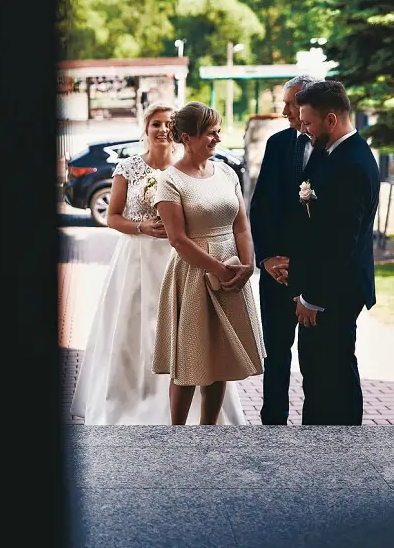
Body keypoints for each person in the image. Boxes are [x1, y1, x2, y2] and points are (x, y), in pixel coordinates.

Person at [71, 103, 248, 425]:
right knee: (137, 326)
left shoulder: (196, 171)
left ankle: (201, 412)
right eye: (156, 124)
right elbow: (112, 217)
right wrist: (142, 227)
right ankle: (132, 399)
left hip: (183, 256)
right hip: (139, 258)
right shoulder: (130, 168)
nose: (162, 129)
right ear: (146, 128)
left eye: (168, 123)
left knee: (191, 332)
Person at [152, 102, 266, 425]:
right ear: (187, 138)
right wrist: (217, 269)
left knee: (219, 358)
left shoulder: (227, 173)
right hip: (193, 276)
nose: (217, 139)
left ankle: (208, 432)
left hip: (232, 272)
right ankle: (177, 434)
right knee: (190, 358)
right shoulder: (170, 181)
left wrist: (247, 266)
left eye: (218, 132)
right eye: (210, 133)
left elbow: (241, 225)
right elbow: (178, 239)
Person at [289, 80, 380, 425]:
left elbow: (340, 242)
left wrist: (313, 298)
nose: (304, 130)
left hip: (335, 292)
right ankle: (325, 452)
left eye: (308, 123)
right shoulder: (335, 154)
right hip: (329, 286)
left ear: (330, 120)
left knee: (332, 376)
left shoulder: (352, 165)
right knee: (322, 373)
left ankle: (336, 453)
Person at [247, 74, 321, 425]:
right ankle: (272, 426)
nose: (285, 109)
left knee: (314, 359)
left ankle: (312, 432)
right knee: (276, 356)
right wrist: (266, 258)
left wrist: (304, 264)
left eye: (292, 102)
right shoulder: (277, 144)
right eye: (285, 102)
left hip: (312, 274)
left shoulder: (329, 147)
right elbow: (259, 207)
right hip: (275, 274)